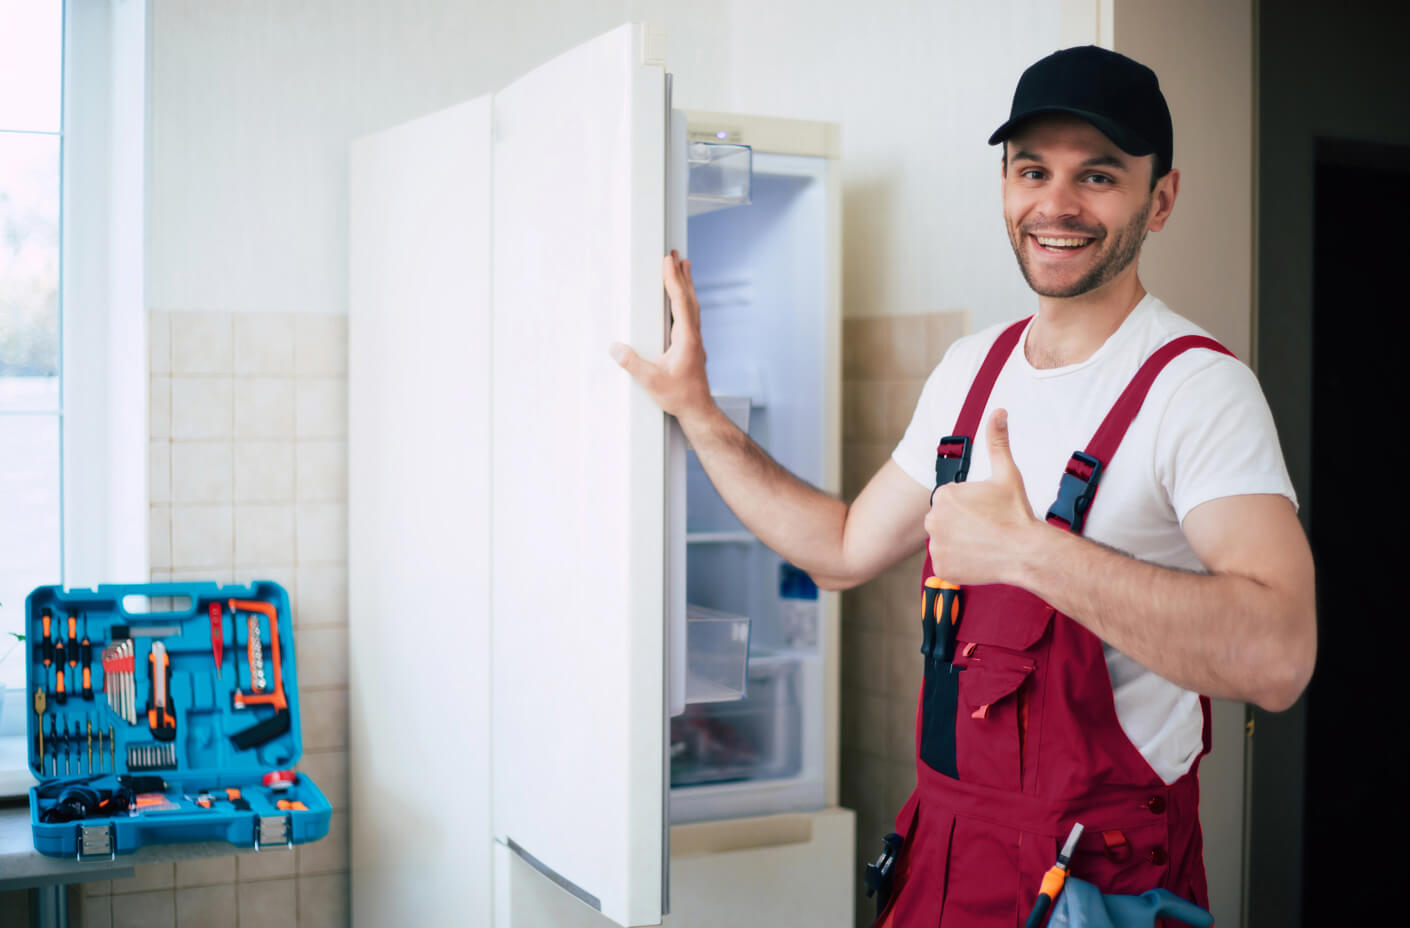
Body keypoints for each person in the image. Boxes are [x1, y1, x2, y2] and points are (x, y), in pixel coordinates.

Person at [611, 45, 1315, 926]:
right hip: (944, 863)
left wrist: (1031, 554)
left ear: (1159, 199)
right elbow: (840, 549)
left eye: (1097, 176)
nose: (1055, 205)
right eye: (1032, 170)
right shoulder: (968, 373)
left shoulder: (1196, 389)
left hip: (1097, 888)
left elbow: (1281, 657)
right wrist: (699, 412)